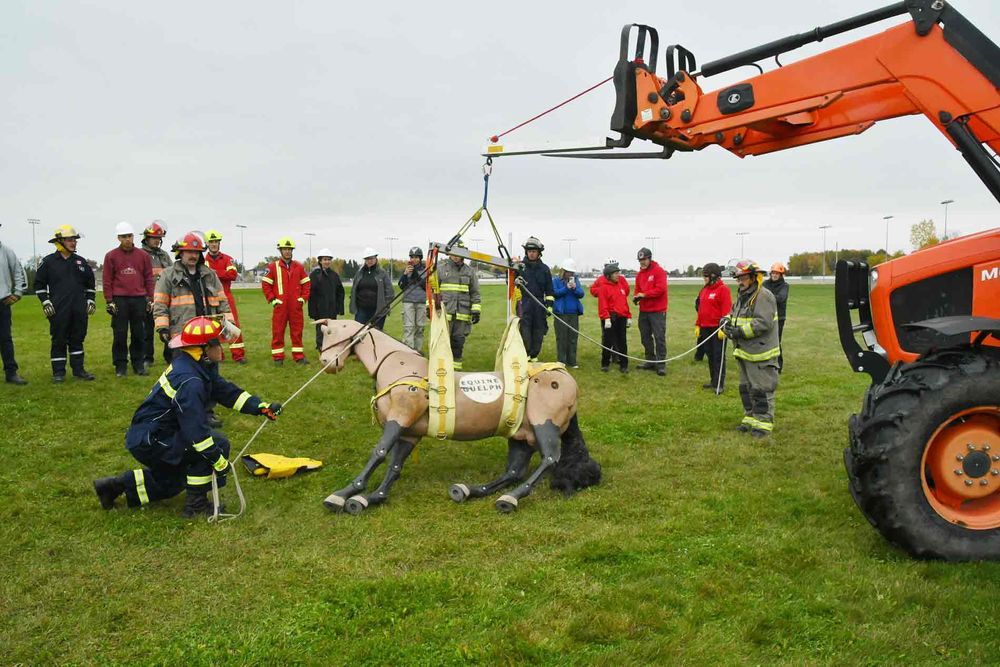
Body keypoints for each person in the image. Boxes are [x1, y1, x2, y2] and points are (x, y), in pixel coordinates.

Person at [91, 316, 283, 518]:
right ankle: (196, 505)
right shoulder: (191, 381)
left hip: (153, 434)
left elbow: (226, 392)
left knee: (173, 480)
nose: (222, 349)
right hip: (152, 439)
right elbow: (196, 433)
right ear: (203, 350)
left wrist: (260, 407)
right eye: (217, 344)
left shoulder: (195, 365)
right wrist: (218, 460)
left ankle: (112, 487)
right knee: (213, 447)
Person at [722, 260, 781, 439]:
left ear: (754, 277)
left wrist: (739, 331)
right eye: (738, 278)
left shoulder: (764, 296)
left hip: (760, 353)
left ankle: (763, 424)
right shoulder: (742, 295)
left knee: (761, 389)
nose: (740, 281)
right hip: (744, 351)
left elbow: (762, 323)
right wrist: (725, 321)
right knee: (746, 388)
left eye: (744, 278)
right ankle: (750, 418)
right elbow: (735, 315)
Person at [34, 225, 97, 382]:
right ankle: (58, 373)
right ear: (59, 241)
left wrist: (90, 300)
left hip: (78, 309)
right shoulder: (48, 262)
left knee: (77, 339)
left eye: (75, 240)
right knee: (59, 339)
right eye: (70, 239)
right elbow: (39, 285)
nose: (73, 243)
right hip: (58, 309)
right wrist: (45, 301)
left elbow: (90, 285)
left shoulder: (81, 262)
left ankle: (79, 370)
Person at [103, 222, 155, 377]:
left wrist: (150, 298)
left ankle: (138, 364)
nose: (127, 239)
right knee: (120, 334)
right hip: (120, 300)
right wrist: (109, 300)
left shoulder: (143, 256)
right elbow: (107, 279)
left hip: (139, 299)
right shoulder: (111, 256)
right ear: (119, 238)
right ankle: (120, 366)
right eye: (124, 236)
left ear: (133, 236)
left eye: (129, 236)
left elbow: (148, 278)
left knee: (139, 333)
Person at [261, 237, 311, 365]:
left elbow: (306, 284)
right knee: (278, 331)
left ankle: (299, 357)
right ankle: (278, 357)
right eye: (285, 249)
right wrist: (273, 300)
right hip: (280, 306)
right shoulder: (273, 267)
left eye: (289, 249)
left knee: (297, 332)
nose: (287, 252)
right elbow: (266, 284)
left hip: (295, 306)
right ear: (280, 251)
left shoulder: (299, 267)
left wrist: (303, 299)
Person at [435, 243, 481, 370]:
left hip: (462, 313)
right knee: (442, 342)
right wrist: (431, 307)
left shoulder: (469, 271)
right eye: (454, 253)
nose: (456, 257)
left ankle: (456, 369)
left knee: (458, 341)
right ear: (449, 254)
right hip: (445, 314)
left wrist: (476, 311)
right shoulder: (441, 269)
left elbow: (475, 292)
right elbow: (433, 290)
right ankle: (441, 368)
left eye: (459, 253)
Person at [205, 230, 246, 363]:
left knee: (233, 325)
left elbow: (233, 275)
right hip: (210, 298)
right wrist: (222, 273)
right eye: (211, 242)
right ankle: (218, 356)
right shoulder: (204, 260)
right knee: (212, 327)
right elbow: (204, 277)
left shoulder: (228, 259)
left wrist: (214, 272)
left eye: (216, 242)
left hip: (227, 297)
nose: (214, 244)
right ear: (207, 244)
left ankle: (238, 355)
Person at [695, 262, 732, 394]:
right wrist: (698, 325)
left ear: (714, 276)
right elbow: (701, 309)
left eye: (706, 276)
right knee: (710, 355)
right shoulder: (704, 290)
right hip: (705, 328)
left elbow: (727, 311)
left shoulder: (723, 290)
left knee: (718, 356)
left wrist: (724, 328)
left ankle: (719, 384)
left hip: (717, 329)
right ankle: (713, 381)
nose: (704, 279)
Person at [140, 221, 173, 368]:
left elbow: (172, 275)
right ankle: (147, 357)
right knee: (146, 331)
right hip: (147, 299)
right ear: (146, 238)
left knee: (169, 328)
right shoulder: (140, 255)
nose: (157, 240)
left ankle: (170, 356)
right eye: (154, 237)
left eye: (159, 238)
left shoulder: (164, 256)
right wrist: (147, 299)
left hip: (164, 299)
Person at [590, 260, 631, 373]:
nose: (618, 275)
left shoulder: (621, 286)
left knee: (622, 342)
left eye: (618, 273)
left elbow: (624, 303)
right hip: (610, 318)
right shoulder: (604, 288)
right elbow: (603, 304)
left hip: (621, 317)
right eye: (615, 273)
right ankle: (605, 363)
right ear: (609, 275)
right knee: (607, 341)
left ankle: (624, 364)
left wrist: (628, 316)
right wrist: (606, 318)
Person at [517, 236, 554, 362]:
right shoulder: (520, 267)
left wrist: (549, 305)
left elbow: (549, 289)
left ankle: (534, 355)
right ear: (526, 252)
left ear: (539, 253)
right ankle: (526, 353)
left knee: (539, 330)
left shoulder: (545, 269)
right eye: (529, 251)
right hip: (525, 302)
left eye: (534, 251)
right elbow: (510, 283)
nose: (531, 254)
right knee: (525, 329)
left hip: (539, 304)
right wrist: (514, 280)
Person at [634, 246, 668, 376]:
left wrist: (644, 295)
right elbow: (637, 290)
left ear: (649, 258)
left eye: (644, 259)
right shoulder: (639, 274)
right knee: (645, 336)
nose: (642, 262)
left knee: (659, 337)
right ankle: (650, 360)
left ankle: (661, 364)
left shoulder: (659, 271)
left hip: (658, 311)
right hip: (644, 310)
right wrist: (637, 296)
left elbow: (660, 289)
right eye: (640, 260)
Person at [0, 224, 28, 385]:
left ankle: (11, 373)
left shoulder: (6, 251)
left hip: (2, 302)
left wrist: (17, 292)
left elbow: (18, 271)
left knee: (5, 339)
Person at [308, 248, 345, 351]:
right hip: (319, 309)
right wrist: (312, 311)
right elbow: (311, 294)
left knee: (331, 329)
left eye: (329, 259)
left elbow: (340, 292)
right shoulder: (314, 275)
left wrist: (339, 308)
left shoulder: (334, 275)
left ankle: (330, 346)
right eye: (324, 259)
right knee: (320, 329)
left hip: (332, 309)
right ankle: (320, 347)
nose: (327, 262)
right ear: (320, 261)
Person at [348, 247, 393, 331]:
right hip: (361, 310)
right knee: (358, 333)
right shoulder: (359, 273)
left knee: (377, 335)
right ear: (365, 260)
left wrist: (385, 306)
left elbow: (389, 292)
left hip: (378, 311)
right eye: (368, 258)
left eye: (372, 258)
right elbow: (354, 289)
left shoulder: (382, 273)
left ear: (376, 258)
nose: (370, 260)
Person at [552, 258, 583, 368]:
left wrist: (574, 288)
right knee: (561, 337)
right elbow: (555, 293)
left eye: (572, 272)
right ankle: (561, 361)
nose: (570, 274)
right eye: (568, 271)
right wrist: (566, 288)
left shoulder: (576, 280)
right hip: (561, 313)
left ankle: (572, 361)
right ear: (563, 271)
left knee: (573, 337)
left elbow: (581, 294)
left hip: (573, 313)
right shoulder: (555, 281)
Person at [397, 246, 428, 351]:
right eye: (412, 257)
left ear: (420, 258)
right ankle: (409, 351)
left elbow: (426, 286)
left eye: (416, 257)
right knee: (409, 328)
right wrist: (405, 275)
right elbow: (401, 286)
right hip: (408, 302)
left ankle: (417, 351)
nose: (414, 259)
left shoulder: (426, 270)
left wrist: (415, 275)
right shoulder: (407, 270)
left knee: (419, 328)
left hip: (421, 302)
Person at [763, 262, 789, 372]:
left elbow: (780, 298)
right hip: (766, 316)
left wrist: (767, 296)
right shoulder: (765, 284)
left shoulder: (785, 286)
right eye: (773, 273)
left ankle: (779, 365)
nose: (774, 275)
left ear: (781, 275)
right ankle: (767, 363)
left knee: (776, 342)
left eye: (777, 273)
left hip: (779, 318)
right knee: (765, 341)